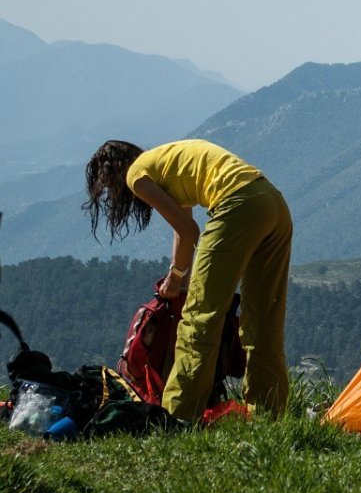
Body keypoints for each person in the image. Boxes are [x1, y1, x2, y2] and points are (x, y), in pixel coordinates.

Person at [83, 139, 291, 421]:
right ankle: (269, 412)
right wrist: (180, 275)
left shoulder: (136, 175)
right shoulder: (165, 162)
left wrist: (176, 277)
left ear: (112, 173)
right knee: (264, 318)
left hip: (237, 206)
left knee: (199, 319)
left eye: (108, 187)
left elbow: (189, 230)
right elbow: (183, 234)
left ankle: (177, 417)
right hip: (272, 204)